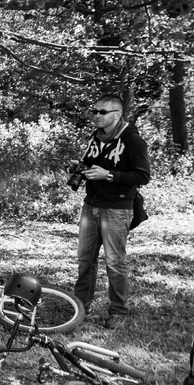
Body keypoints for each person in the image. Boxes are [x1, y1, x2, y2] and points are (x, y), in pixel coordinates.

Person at [72, 93, 150, 329]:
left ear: (117, 114)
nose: (97, 115)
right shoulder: (96, 137)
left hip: (116, 208)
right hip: (91, 205)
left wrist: (108, 175)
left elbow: (143, 176)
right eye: (94, 111)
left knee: (115, 262)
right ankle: (80, 306)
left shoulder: (133, 141)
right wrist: (79, 168)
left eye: (103, 112)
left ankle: (118, 311)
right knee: (85, 259)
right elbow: (91, 163)